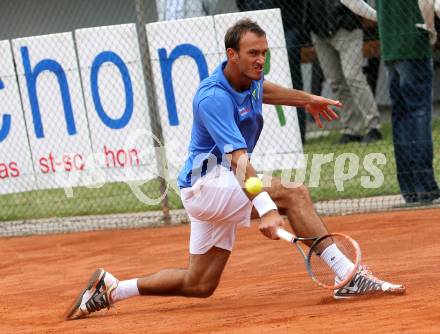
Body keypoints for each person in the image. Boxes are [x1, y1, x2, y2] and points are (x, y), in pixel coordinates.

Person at [65, 19, 404, 320]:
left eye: (264, 53)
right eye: (253, 53)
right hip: (206, 185)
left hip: (220, 185)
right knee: (293, 193)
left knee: (199, 283)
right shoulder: (212, 97)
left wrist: (306, 99)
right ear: (232, 55)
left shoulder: (251, 78)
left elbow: (265, 91)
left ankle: (110, 289)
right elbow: (238, 161)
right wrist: (268, 210)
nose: (260, 60)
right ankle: (349, 277)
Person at [341, 0, 440, 204]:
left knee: (401, 116)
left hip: (390, 44)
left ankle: (410, 189)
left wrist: (380, 18)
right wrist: (430, 27)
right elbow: (432, 4)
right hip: (414, 41)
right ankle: (426, 187)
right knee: (419, 114)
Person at [305, 0, 383, 144]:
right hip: (319, 30)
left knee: (353, 76)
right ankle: (352, 129)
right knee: (335, 81)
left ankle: (373, 126)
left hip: (347, 27)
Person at [236, 0, 308, 144]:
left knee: (291, 80)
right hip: (256, 31)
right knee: (254, 85)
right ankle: (263, 133)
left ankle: (299, 133)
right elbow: (241, 4)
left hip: (287, 27)